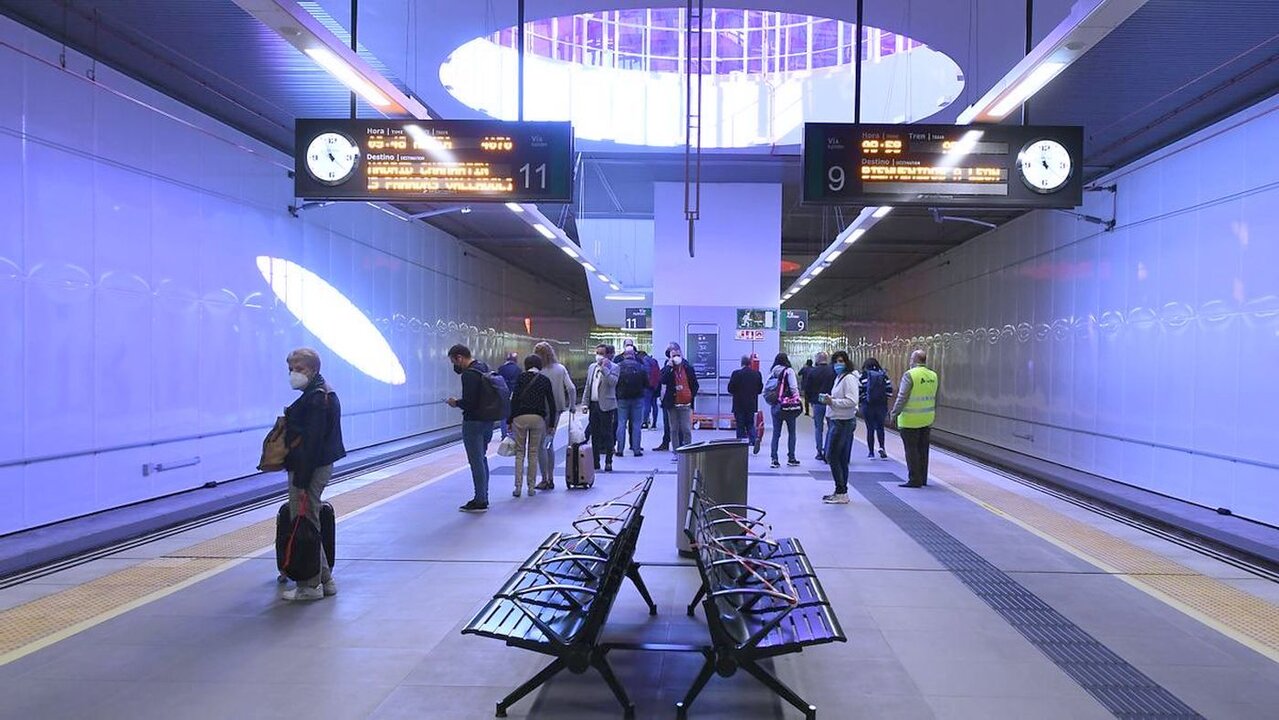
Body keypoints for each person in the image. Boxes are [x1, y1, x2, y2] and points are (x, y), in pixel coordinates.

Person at [281, 348, 346, 601]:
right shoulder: (320, 391)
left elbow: (312, 442)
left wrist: (301, 479)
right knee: (309, 520)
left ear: (313, 369)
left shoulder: (318, 397)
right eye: (291, 369)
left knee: (305, 522)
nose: (293, 374)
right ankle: (326, 580)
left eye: (299, 369)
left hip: (310, 467)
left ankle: (309, 586)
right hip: (315, 464)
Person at [447, 344, 496, 512]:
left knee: (476, 461)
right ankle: (484, 495)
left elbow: (470, 402)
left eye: (454, 361)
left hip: (473, 422)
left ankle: (480, 499)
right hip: (488, 421)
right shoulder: (484, 367)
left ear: (459, 357)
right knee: (482, 459)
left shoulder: (468, 374)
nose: (455, 365)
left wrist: (455, 403)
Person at [508, 354, 554, 498]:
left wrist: (509, 421)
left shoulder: (521, 378)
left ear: (526, 365)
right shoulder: (545, 380)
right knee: (533, 453)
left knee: (520, 453)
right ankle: (531, 488)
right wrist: (551, 424)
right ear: (539, 365)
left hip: (520, 418)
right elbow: (551, 404)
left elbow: (514, 400)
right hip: (538, 419)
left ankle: (517, 487)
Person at [891, 349, 938, 489]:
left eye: (911, 358)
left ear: (915, 360)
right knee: (923, 449)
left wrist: (894, 413)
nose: (909, 361)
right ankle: (923, 478)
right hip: (927, 419)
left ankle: (914, 479)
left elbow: (902, 397)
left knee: (911, 450)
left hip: (910, 420)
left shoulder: (910, 375)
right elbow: (936, 397)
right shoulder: (933, 375)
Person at [533, 341, 576, 490]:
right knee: (548, 444)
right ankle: (550, 478)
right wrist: (572, 406)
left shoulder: (538, 371)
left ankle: (544, 479)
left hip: (540, 411)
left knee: (540, 446)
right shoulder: (560, 368)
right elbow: (571, 388)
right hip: (556, 411)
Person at [817, 351, 858, 504]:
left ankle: (841, 491)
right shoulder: (839, 378)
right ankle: (841, 491)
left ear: (847, 362)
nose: (838, 365)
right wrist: (831, 398)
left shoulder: (849, 379)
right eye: (835, 362)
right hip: (838, 421)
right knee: (839, 458)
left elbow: (852, 401)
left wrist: (832, 402)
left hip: (843, 422)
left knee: (831, 456)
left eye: (841, 361)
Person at [582, 343, 619, 472]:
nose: (598, 356)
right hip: (593, 405)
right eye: (597, 353)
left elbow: (613, 383)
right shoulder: (592, 367)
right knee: (594, 435)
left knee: (607, 433)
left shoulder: (614, 367)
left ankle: (609, 461)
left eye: (602, 353)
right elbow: (588, 385)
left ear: (608, 355)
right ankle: (595, 461)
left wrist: (605, 369)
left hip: (607, 406)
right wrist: (585, 403)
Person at [660, 347, 699, 451]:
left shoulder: (687, 368)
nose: (676, 357)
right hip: (672, 403)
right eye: (674, 356)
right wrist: (669, 367)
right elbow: (662, 380)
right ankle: (676, 451)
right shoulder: (668, 368)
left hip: (685, 403)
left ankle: (687, 449)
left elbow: (695, 384)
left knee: (686, 429)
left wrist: (690, 396)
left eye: (678, 355)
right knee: (674, 429)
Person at [768, 353, 802, 468]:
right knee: (792, 433)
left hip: (775, 406)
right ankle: (791, 458)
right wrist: (797, 399)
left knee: (776, 433)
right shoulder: (789, 371)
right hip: (788, 406)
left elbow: (767, 389)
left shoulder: (772, 372)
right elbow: (793, 387)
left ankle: (774, 459)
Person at [614, 347, 647, 457]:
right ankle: (636, 450)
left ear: (624, 355)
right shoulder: (641, 367)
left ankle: (620, 450)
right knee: (637, 425)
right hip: (637, 399)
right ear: (634, 355)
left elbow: (615, 383)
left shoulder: (618, 367)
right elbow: (647, 383)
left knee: (621, 424)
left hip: (622, 399)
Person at [727, 354, 763, 454]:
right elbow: (760, 390)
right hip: (751, 404)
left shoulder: (736, 374)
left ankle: (740, 447)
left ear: (741, 363)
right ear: (750, 363)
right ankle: (755, 438)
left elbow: (730, 389)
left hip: (739, 404)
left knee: (740, 425)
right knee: (750, 424)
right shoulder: (757, 374)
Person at [859, 357, 893, 460]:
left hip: (867, 406)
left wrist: (863, 400)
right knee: (880, 427)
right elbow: (889, 392)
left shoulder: (862, 376)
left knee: (870, 429)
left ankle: (871, 453)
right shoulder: (884, 376)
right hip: (881, 406)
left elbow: (859, 392)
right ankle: (882, 447)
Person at [805, 352, 836, 462]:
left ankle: (819, 451)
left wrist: (810, 401)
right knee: (831, 427)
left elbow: (807, 388)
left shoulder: (813, 371)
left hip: (817, 403)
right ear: (826, 359)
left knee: (818, 428)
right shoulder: (832, 371)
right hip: (830, 403)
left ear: (817, 360)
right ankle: (828, 450)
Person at [652, 342, 681, 451]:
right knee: (667, 422)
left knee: (679, 424)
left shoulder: (684, 365)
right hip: (668, 397)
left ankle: (679, 444)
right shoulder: (667, 364)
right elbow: (662, 378)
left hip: (680, 397)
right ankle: (666, 442)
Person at [495, 352, 521, 439]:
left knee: (503, 415)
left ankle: (504, 434)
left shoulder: (501, 369)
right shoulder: (518, 369)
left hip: (503, 395)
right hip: (514, 394)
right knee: (513, 414)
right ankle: (512, 434)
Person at [640, 349, 660, 429]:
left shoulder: (644, 360)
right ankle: (654, 423)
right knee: (654, 404)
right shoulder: (654, 360)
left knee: (646, 404)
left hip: (647, 386)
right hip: (655, 385)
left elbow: (646, 372)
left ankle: (644, 422)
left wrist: (645, 383)